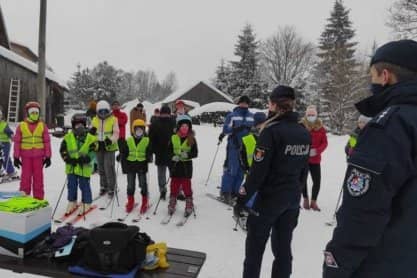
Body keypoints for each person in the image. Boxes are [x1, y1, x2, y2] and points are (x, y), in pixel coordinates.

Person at [323, 40, 417, 278]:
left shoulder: (391, 125)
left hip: (385, 263)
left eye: (372, 75)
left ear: (385, 76)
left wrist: (336, 264)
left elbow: (363, 212)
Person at [234, 85, 311, 278]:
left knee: (254, 251)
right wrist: (297, 191)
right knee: (283, 250)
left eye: (269, 103)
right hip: (291, 200)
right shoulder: (303, 131)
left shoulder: (271, 131)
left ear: (275, 105)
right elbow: (304, 170)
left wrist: (242, 198)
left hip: (269, 200)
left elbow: (257, 173)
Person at [59, 114, 97, 215]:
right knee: (71, 185)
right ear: (73, 125)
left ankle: (86, 202)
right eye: (77, 125)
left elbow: (93, 150)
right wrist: (67, 158)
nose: (79, 127)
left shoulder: (89, 138)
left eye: (81, 125)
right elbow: (63, 150)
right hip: (71, 166)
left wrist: (87, 158)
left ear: (84, 125)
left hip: (83, 167)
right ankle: (72, 201)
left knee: (84, 185)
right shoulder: (68, 137)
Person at [219, 95, 254, 203]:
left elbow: (256, 129)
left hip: (247, 146)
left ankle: (235, 192)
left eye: (246, 102)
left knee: (242, 170)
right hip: (234, 145)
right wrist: (235, 129)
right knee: (231, 169)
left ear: (248, 104)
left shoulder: (252, 116)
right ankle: (225, 192)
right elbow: (225, 129)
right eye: (242, 102)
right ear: (238, 103)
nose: (244, 104)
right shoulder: (232, 115)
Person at [13, 101, 51, 200]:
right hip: (26, 157)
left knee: (38, 179)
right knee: (25, 178)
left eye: (36, 113)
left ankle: (38, 199)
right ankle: (24, 198)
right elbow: (17, 142)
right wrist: (16, 157)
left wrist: (48, 156)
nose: (35, 114)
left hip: (39, 157)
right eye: (32, 112)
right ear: (28, 113)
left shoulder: (43, 126)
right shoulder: (21, 126)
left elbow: (47, 142)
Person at [167, 114, 198, 217]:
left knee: (186, 185)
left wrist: (187, 154)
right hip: (175, 165)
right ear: (179, 127)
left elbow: (195, 153)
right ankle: (172, 200)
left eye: (186, 126)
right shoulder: (173, 137)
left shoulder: (192, 139)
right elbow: (168, 151)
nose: (184, 128)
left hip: (186, 166)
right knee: (174, 184)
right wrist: (172, 156)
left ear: (189, 128)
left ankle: (189, 202)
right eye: (182, 126)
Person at [120, 119, 152, 214]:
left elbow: (150, 150)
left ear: (143, 130)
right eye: (137, 129)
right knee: (130, 185)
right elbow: (125, 151)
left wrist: (149, 155)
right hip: (131, 166)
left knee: (143, 184)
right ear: (133, 130)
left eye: (141, 129)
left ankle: (145, 202)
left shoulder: (146, 140)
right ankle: (130, 201)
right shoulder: (129, 140)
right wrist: (120, 155)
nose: (139, 131)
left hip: (142, 165)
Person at [300, 105, 328, 211]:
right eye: (309, 115)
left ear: (316, 116)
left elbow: (325, 143)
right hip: (303, 158)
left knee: (317, 181)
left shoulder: (321, 128)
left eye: (313, 115)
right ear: (306, 115)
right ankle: (305, 199)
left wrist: (317, 151)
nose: (311, 116)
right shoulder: (301, 126)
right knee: (303, 180)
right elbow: (297, 140)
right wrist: (305, 150)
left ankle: (314, 201)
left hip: (316, 159)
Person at [91, 100, 119, 197]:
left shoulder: (113, 119)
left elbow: (116, 133)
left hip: (109, 147)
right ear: (98, 111)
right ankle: (103, 186)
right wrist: (93, 140)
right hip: (99, 146)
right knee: (101, 168)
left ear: (108, 111)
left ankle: (111, 187)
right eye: (101, 111)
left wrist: (110, 140)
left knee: (109, 167)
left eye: (105, 111)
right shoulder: (94, 120)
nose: (103, 114)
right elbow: (92, 134)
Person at [148, 105, 175, 200]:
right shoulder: (155, 123)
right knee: (161, 174)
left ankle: (176, 190)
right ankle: (162, 190)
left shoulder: (173, 122)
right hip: (160, 153)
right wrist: (152, 151)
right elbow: (150, 138)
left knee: (174, 172)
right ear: (160, 113)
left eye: (167, 114)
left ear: (169, 114)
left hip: (172, 153)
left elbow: (178, 136)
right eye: (163, 114)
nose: (165, 115)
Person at [0, 109, 18, 179]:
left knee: (5, 158)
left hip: (5, 144)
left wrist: (12, 136)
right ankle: (1, 171)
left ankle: (11, 172)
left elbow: (10, 132)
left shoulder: (4, 125)